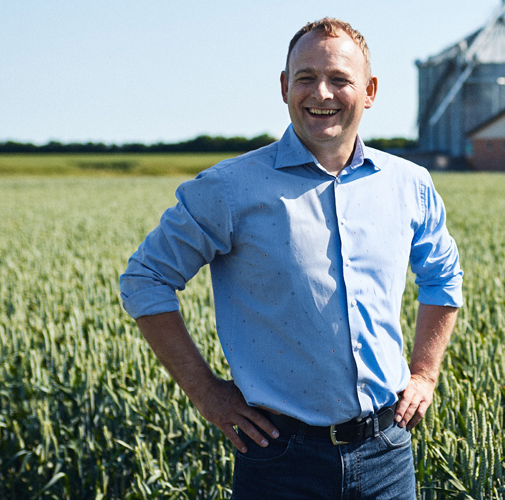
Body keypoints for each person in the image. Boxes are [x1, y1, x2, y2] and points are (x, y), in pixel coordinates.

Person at [119, 17, 463, 499]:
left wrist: (425, 374)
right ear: (285, 87)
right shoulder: (229, 187)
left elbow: (444, 277)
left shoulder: (408, 184)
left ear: (370, 91)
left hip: (387, 452)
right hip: (279, 459)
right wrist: (205, 392)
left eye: (340, 79)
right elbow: (146, 279)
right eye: (305, 78)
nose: (321, 93)